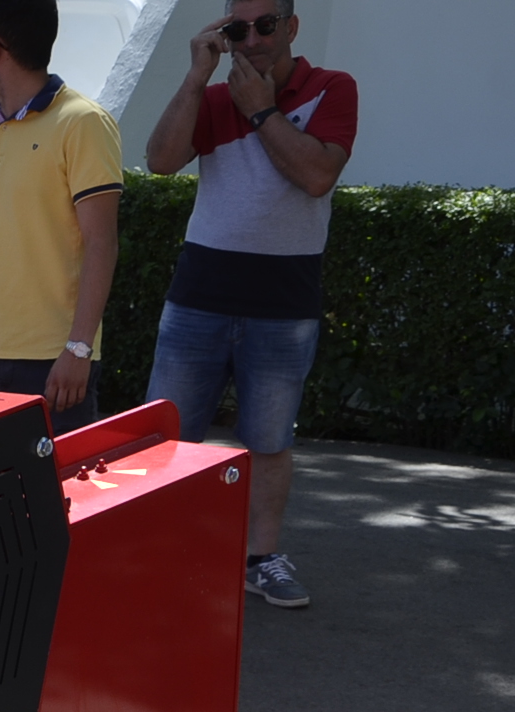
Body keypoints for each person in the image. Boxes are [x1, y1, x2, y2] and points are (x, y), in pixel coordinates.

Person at [144, 0, 356, 612]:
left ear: (291, 27)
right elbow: (160, 161)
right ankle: (153, 549)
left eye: (267, 25)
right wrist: (195, 77)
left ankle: (261, 560)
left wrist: (260, 110)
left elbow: (317, 176)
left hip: (283, 301)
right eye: (239, 28)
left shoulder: (332, 87)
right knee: (167, 434)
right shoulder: (213, 98)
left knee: (268, 440)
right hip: (200, 293)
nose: (254, 38)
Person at [0, 0, 123, 438]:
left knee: (54, 485)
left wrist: (78, 349)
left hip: (49, 363)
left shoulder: (84, 123)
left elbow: (102, 244)